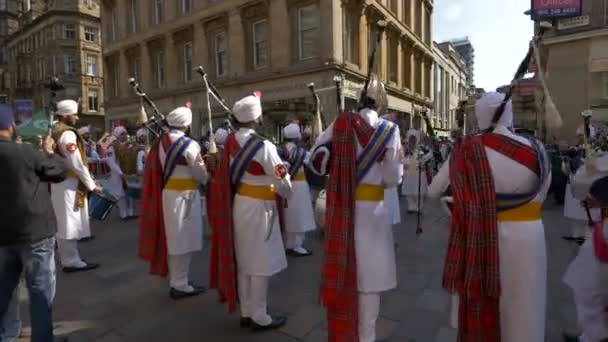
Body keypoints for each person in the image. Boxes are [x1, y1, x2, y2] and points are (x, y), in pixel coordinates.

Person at [428, 92, 551, 342]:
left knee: (484, 305)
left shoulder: (465, 150)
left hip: (480, 237)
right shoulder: (538, 149)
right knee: (525, 305)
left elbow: (433, 192)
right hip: (529, 237)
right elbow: (544, 192)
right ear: (510, 115)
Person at [310, 78, 402, 342]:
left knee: (344, 272)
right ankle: (366, 336)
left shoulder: (340, 124)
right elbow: (393, 178)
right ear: (379, 104)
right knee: (370, 279)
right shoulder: (390, 130)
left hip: (343, 210)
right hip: (374, 212)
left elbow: (316, 160)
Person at [208, 93, 292, 330]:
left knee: (244, 260)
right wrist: (287, 191)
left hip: (240, 205)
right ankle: (260, 315)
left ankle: (246, 311)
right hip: (260, 208)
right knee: (261, 263)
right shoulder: (264, 146)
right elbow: (282, 179)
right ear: (257, 117)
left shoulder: (231, 143)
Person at [0, 104, 69, 341]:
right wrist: (48, 152)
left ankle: (7, 336)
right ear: (10, 126)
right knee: (40, 291)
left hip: (2, 238)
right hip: (34, 233)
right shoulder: (25, 152)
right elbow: (60, 170)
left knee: (5, 292)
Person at [138, 106, 208, 300]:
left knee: (174, 236)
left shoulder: (160, 142)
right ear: (186, 124)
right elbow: (199, 174)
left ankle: (178, 279)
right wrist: (208, 175)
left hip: (167, 193)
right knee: (184, 238)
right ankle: (180, 283)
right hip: (186, 195)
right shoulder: (190, 145)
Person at [51, 99, 101, 272]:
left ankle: (70, 258)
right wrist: (91, 184)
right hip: (68, 183)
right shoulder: (67, 134)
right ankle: (71, 261)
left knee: (66, 221)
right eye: (74, 115)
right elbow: (76, 163)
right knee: (69, 222)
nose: (77, 118)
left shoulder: (55, 130)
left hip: (62, 182)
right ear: (65, 116)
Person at [281, 122, 315, 257]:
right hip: (299, 186)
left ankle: (288, 244)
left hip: (284, 186)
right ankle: (297, 245)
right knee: (300, 215)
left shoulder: (279, 150)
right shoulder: (301, 153)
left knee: (287, 214)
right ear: (297, 138)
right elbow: (313, 161)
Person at [105, 126, 137, 220]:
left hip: (129, 172)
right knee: (120, 193)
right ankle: (124, 215)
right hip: (118, 174)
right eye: (122, 134)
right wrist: (120, 172)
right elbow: (110, 161)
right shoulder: (112, 146)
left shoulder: (129, 145)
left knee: (130, 192)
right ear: (117, 135)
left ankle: (130, 213)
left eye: (125, 133)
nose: (125, 136)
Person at [401, 129, 432, 213]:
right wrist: (405, 162)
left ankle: (419, 207)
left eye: (414, 138)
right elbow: (401, 158)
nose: (412, 140)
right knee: (409, 191)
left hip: (419, 173)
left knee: (419, 192)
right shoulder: (405, 148)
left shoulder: (422, 148)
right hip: (408, 173)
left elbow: (430, 154)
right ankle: (411, 207)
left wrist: (422, 159)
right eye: (411, 138)